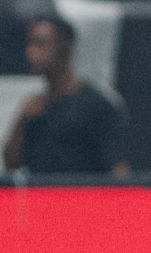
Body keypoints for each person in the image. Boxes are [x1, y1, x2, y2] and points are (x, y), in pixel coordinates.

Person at [3, 16, 129, 178]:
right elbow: (12, 163)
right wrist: (21, 121)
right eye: (30, 43)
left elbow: (117, 170)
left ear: (64, 47)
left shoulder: (97, 106)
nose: (31, 52)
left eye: (41, 44)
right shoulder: (36, 107)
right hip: (42, 199)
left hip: (82, 198)